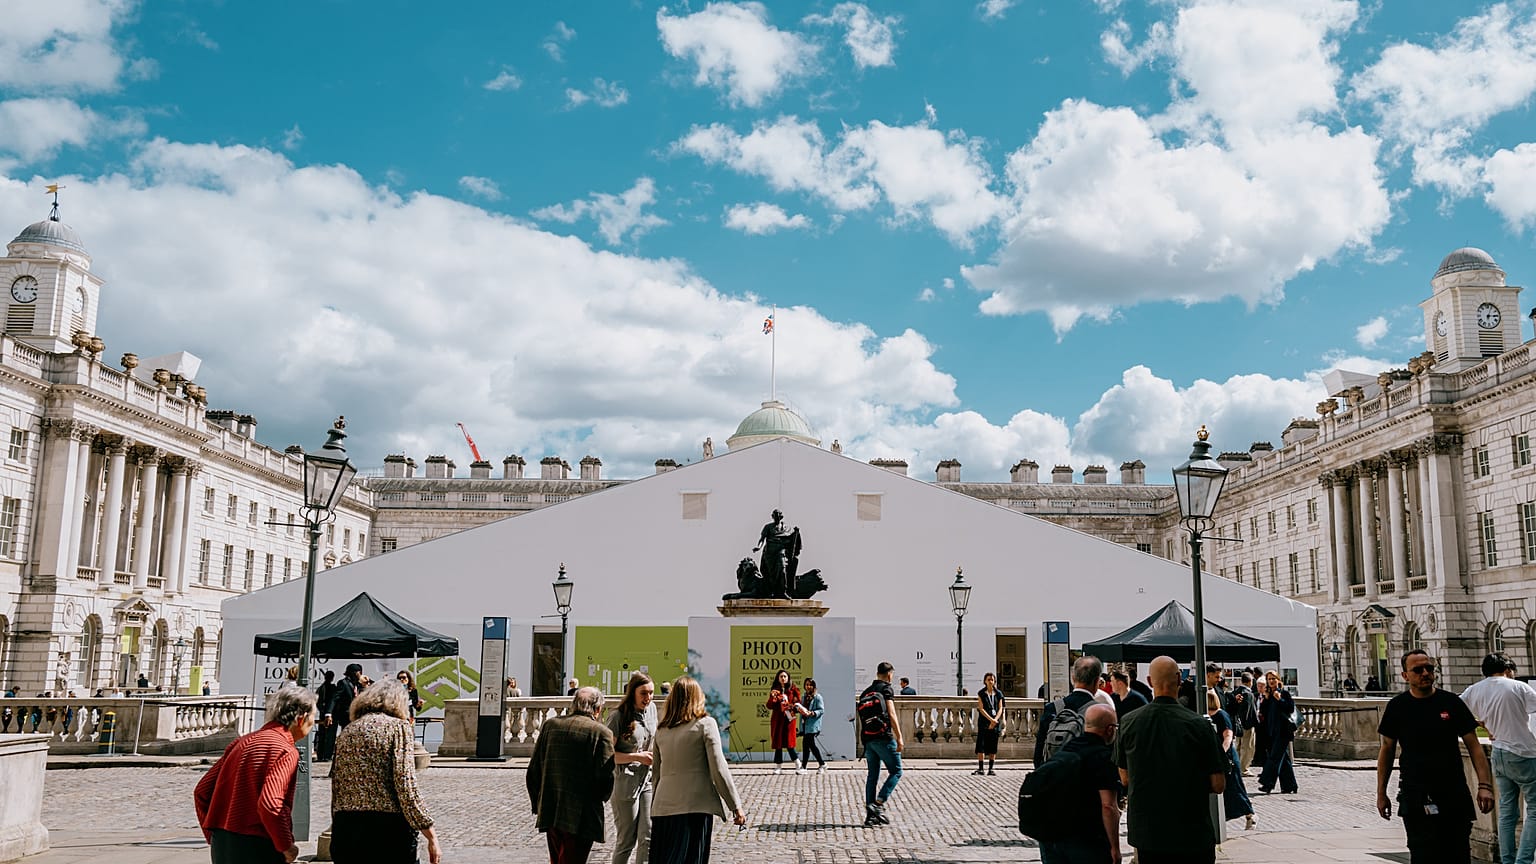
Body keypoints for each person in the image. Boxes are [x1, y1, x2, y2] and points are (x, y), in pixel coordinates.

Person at [1377, 649, 1495, 863]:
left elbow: (1474, 746)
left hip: (1453, 792)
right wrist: (1381, 793)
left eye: (1429, 668)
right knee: (1423, 854)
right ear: (1405, 675)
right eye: (1418, 670)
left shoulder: (1451, 703)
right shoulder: (1397, 707)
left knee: (1457, 853)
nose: (1425, 673)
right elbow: (1386, 749)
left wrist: (1485, 786)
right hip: (1415, 793)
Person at [1114, 655, 1228, 864]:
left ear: (1149, 682)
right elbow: (1218, 784)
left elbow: (1124, 778)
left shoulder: (1129, 723)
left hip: (1149, 833)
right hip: (1192, 831)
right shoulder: (1198, 725)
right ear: (1179, 679)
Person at [193, 684, 316, 864]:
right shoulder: (285, 750)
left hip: (223, 843)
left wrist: (213, 834)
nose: (313, 724)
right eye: (313, 717)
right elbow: (270, 804)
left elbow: (202, 792)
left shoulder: (242, 741)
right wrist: (286, 846)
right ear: (301, 718)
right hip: (257, 845)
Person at [329, 681, 440, 864]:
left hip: (346, 827)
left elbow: (337, 786)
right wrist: (430, 833)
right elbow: (405, 784)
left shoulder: (348, 731)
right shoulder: (398, 728)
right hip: (387, 829)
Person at [650, 676, 745, 863]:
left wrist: (655, 803)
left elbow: (656, 774)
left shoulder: (662, 730)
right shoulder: (705, 724)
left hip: (663, 806)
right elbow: (718, 768)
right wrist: (735, 806)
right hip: (695, 805)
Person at [1459, 652, 1536, 864]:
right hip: (1524, 752)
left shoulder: (1474, 690)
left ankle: (1508, 860)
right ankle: (1524, 860)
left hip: (1499, 753)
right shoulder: (1517, 687)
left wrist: (1481, 723)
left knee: (1506, 812)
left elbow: (1457, 710)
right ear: (1508, 669)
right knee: (1535, 810)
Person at [527, 686, 615, 864]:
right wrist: (598, 801)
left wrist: (538, 802)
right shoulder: (601, 733)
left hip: (550, 807)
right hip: (581, 814)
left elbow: (533, 770)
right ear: (598, 709)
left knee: (557, 858)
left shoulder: (551, 726)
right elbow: (606, 778)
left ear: (573, 704)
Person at [1036, 703, 1123, 864]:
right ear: (1110, 729)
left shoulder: (1065, 749)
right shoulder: (1104, 758)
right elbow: (1108, 806)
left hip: (1052, 836)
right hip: (1086, 839)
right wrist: (1115, 848)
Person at [606, 671, 657, 864]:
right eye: (644, 693)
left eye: (651, 693)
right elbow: (607, 756)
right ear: (633, 692)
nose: (648, 698)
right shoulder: (618, 717)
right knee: (627, 839)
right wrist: (636, 756)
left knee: (648, 836)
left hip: (646, 781)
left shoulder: (651, 710)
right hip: (625, 783)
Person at [1035, 655, 1103, 767]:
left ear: (1073, 678)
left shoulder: (1052, 708)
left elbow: (1039, 754)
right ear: (1097, 681)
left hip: (1055, 777)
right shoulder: (1100, 712)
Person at [860, 661, 904, 827]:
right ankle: (878, 804)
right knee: (897, 771)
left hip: (868, 740)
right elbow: (892, 714)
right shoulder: (886, 688)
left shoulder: (866, 692)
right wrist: (899, 737)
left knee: (872, 775)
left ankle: (870, 816)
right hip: (883, 737)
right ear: (889, 674)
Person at [1207, 687, 1255, 831]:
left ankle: (1249, 814)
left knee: (1234, 786)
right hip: (1217, 755)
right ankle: (1225, 816)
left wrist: (1221, 753)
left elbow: (1228, 736)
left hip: (1227, 757)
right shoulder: (1207, 715)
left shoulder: (1221, 715)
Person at [1256, 669, 1298, 794]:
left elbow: (1290, 708)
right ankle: (1290, 785)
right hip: (1272, 731)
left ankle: (1267, 783)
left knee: (1274, 758)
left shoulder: (1283, 693)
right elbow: (1264, 712)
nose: (1271, 681)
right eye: (1269, 679)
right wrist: (1266, 699)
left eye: (1273, 678)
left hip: (1283, 731)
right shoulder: (1269, 694)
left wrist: (1280, 699)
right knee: (1283, 759)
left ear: (1278, 680)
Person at [766, 669, 800, 772]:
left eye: (785, 676)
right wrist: (773, 698)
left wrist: (789, 704)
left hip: (789, 720)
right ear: (778, 678)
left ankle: (798, 764)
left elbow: (798, 704)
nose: (783, 678)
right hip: (777, 720)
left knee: (789, 743)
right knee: (778, 743)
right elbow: (769, 706)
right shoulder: (775, 690)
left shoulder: (793, 690)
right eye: (781, 676)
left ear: (788, 678)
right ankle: (778, 767)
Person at [324, 664, 364, 745]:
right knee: (347, 734)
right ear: (356, 673)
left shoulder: (359, 684)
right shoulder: (343, 683)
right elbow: (334, 698)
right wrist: (329, 713)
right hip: (346, 714)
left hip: (358, 715)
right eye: (359, 673)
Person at [974, 672, 1004, 776]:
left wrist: (995, 720)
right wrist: (990, 720)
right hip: (984, 722)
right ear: (985, 681)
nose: (990, 682)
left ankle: (991, 768)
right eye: (988, 680)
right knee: (981, 745)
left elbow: (1000, 708)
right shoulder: (981, 693)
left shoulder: (998, 693)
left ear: (995, 681)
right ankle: (981, 768)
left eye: (992, 679)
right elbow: (981, 708)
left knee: (993, 745)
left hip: (995, 722)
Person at [795, 677, 825, 774]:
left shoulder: (817, 697)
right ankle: (821, 764)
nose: (808, 687)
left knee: (808, 745)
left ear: (814, 686)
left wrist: (812, 713)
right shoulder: (804, 697)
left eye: (810, 685)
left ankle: (805, 766)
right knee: (809, 745)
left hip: (812, 725)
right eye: (806, 684)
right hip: (805, 724)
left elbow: (821, 710)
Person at [1234, 672, 1260, 773]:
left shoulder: (1236, 691)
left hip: (1238, 724)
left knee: (1238, 746)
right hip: (1247, 724)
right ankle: (1243, 768)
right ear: (1251, 681)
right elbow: (1251, 711)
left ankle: (1237, 766)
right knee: (1248, 747)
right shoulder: (1249, 694)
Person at [315, 671, 339, 761]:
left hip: (323, 714)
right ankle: (326, 755)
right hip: (331, 715)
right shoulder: (333, 688)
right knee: (330, 736)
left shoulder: (320, 688)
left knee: (322, 735)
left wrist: (322, 710)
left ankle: (321, 755)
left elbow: (317, 702)